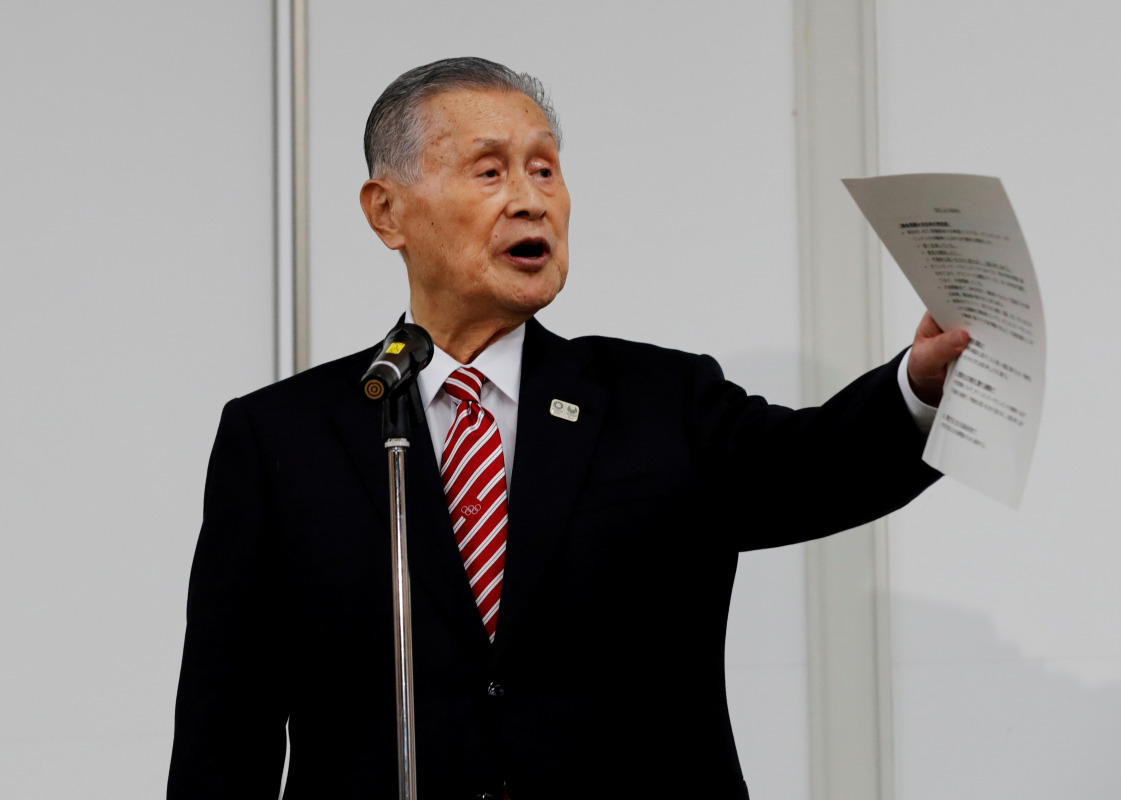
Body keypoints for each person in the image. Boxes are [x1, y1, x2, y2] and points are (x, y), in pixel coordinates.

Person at [168, 57, 968, 800]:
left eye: (544, 169)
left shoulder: (660, 399)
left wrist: (920, 387)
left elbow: (820, 466)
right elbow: (223, 727)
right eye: (489, 170)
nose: (530, 198)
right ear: (388, 211)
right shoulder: (281, 438)